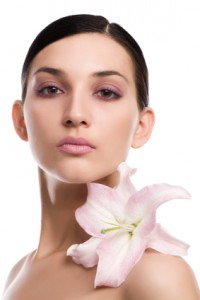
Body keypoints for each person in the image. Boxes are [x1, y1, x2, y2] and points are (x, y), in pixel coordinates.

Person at [2, 14, 200, 300]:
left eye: (106, 92)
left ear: (141, 126)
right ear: (20, 120)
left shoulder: (157, 276)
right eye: (51, 89)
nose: (75, 114)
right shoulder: (18, 274)